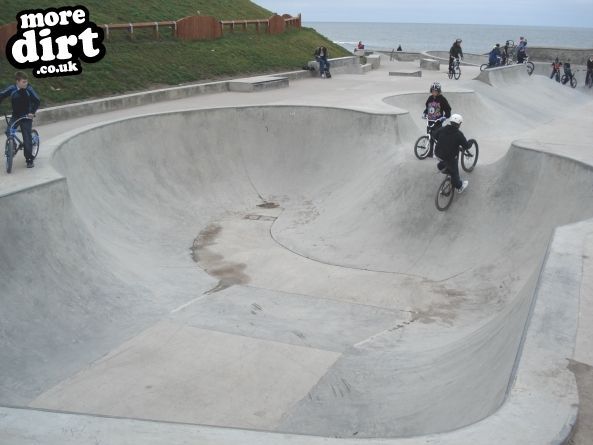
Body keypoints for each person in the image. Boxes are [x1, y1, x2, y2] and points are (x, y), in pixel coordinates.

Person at [0, 71, 41, 168]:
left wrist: (32, 112)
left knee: (27, 137)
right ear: (17, 82)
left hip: (27, 116)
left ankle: (29, 160)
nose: (25, 84)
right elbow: (1, 95)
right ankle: (12, 144)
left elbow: (37, 100)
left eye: (26, 82)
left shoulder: (29, 89)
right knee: (8, 130)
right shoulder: (12, 89)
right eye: (23, 82)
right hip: (16, 115)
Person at [434, 114, 469, 193]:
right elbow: (466, 146)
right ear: (459, 124)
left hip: (438, 154)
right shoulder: (459, 134)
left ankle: (442, 167)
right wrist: (469, 143)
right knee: (454, 172)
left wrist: (442, 140)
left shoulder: (442, 129)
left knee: (444, 161)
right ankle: (459, 186)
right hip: (450, 157)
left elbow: (434, 135)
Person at [422, 81, 452, 157]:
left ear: (438, 91)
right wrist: (425, 113)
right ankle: (429, 152)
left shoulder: (442, 99)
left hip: (438, 122)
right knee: (430, 137)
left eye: (435, 91)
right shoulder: (430, 98)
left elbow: (448, 110)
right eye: (433, 91)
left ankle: (441, 152)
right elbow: (427, 108)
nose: (434, 92)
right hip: (430, 121)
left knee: (438, 138)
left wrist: (445, 117)